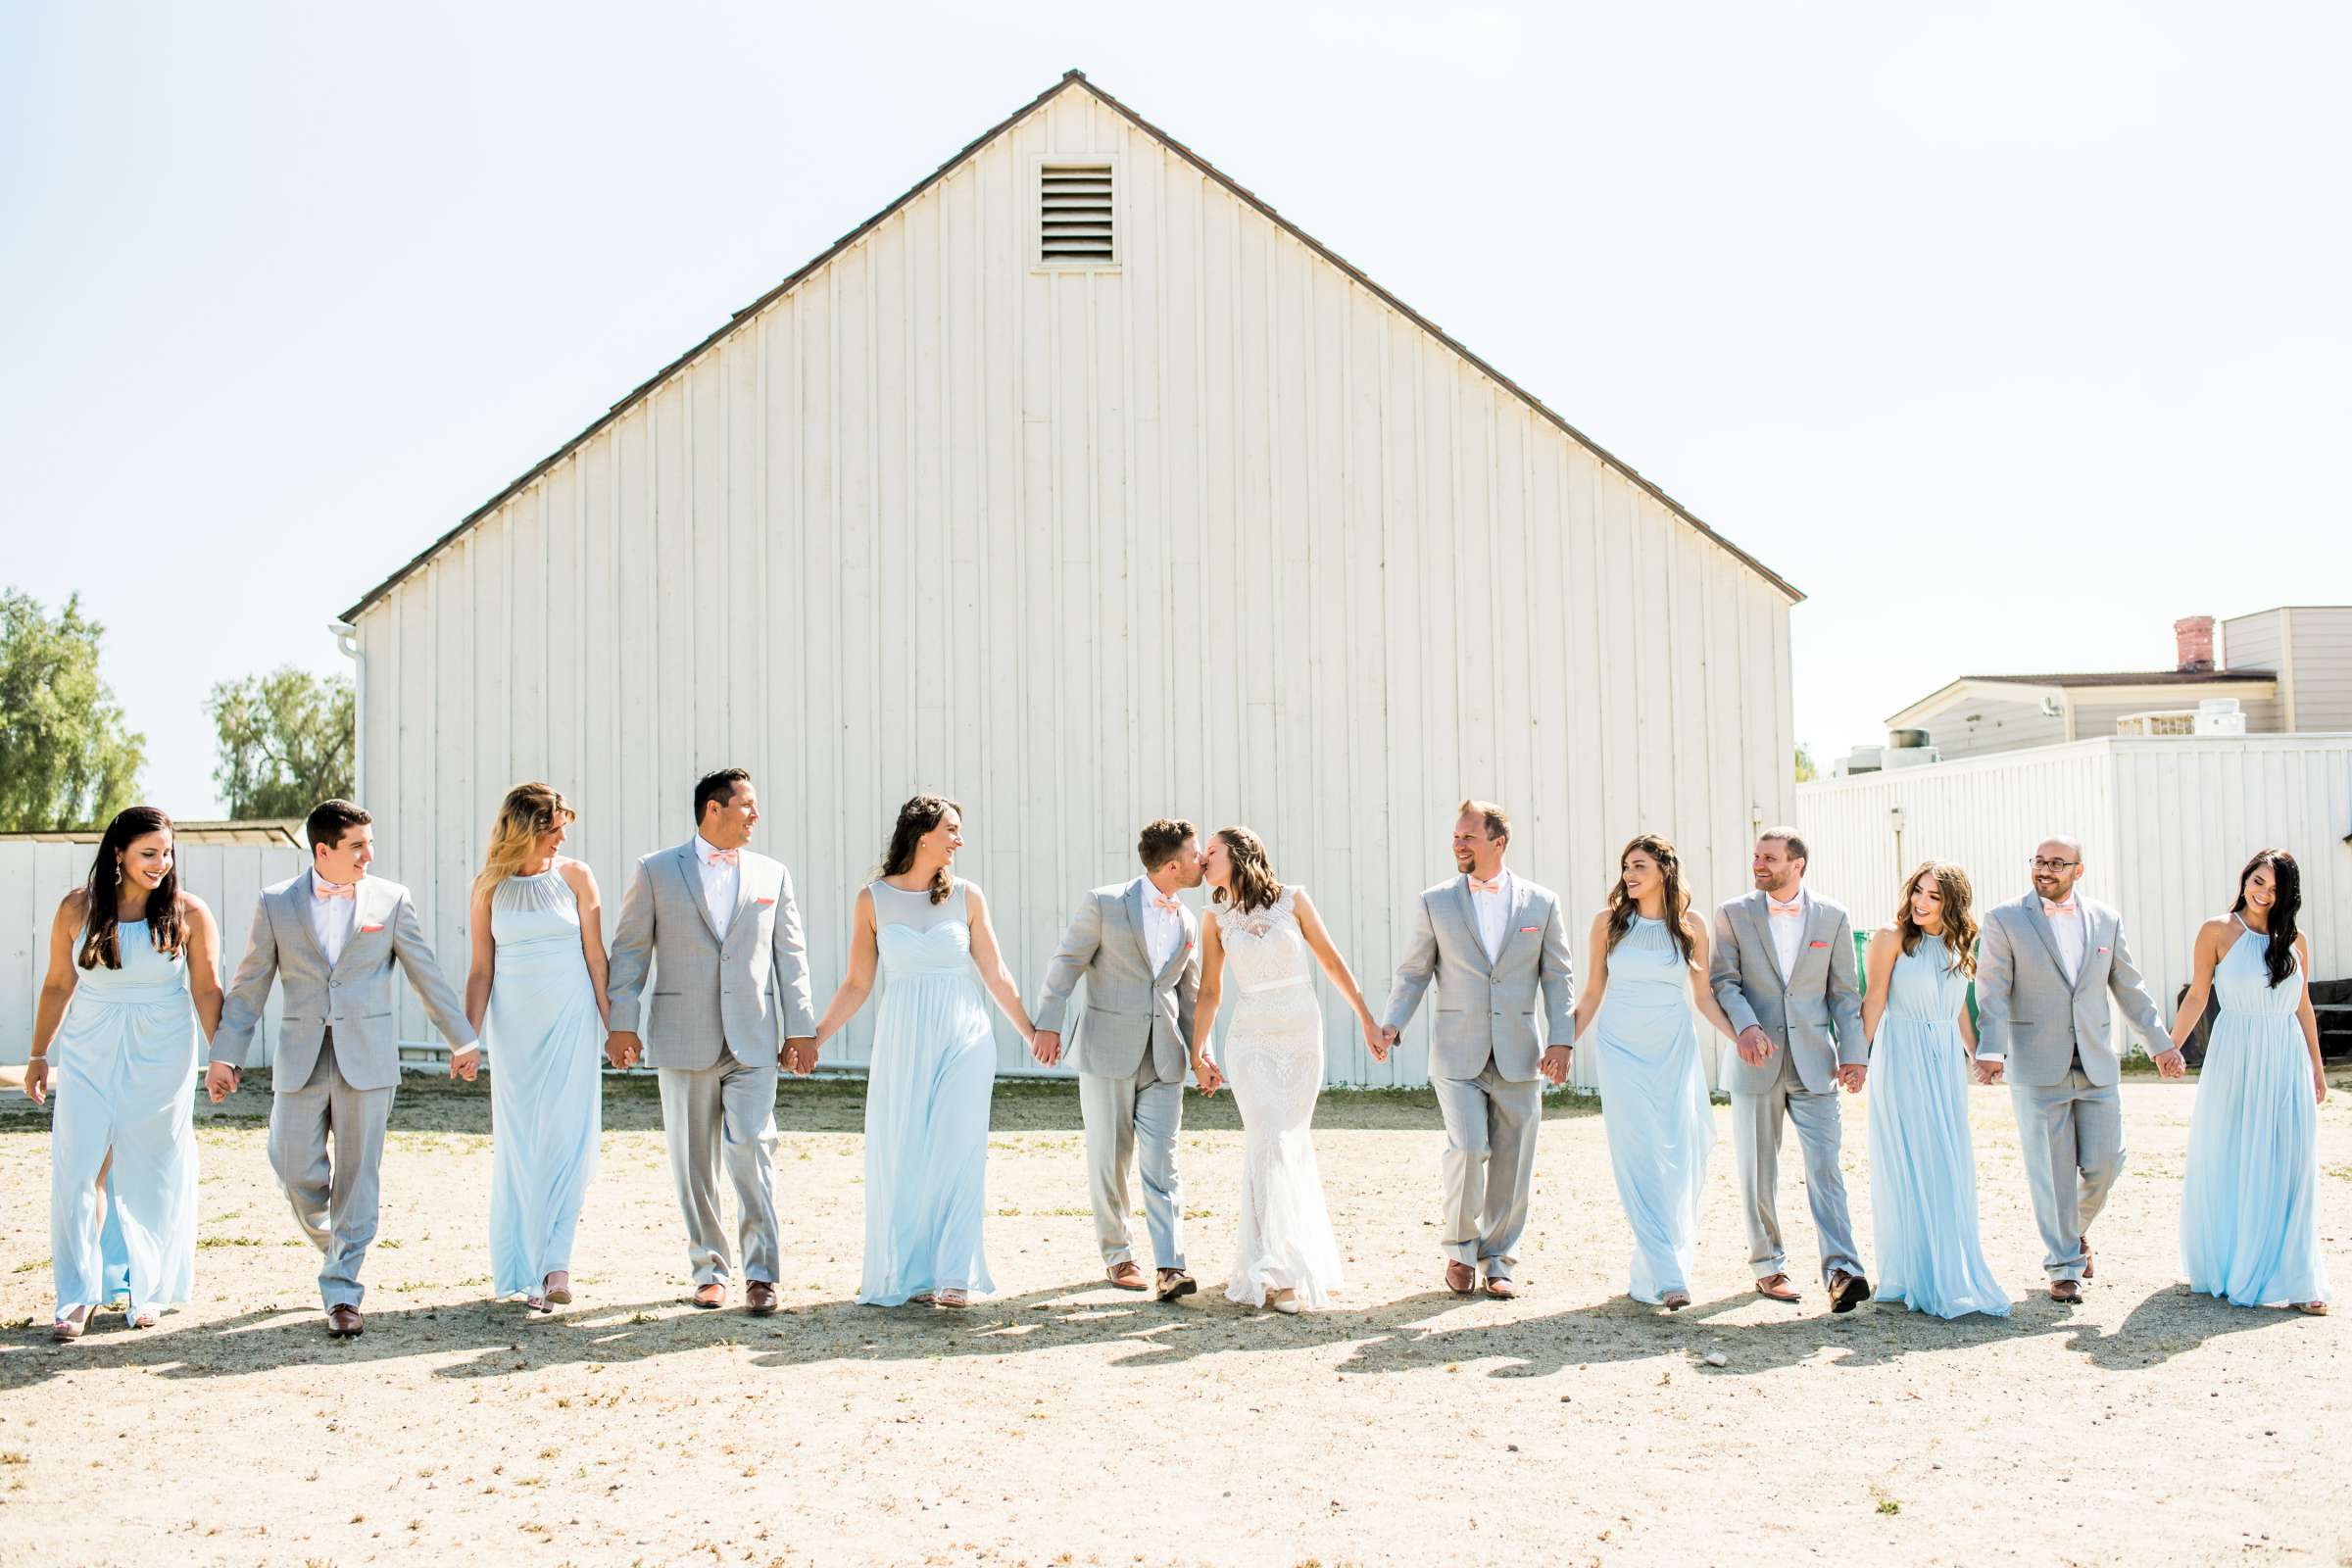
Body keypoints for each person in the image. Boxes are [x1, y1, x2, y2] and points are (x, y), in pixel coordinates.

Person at [206, 799, 479, 1339]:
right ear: (323, 850)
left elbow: (425, 974)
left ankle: (342, 1290)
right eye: (357, 846)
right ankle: (339, 1245)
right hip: (301, 1056)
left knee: (358, 1179)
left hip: (369, 1059)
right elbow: (249, 985)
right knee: (292, 1165)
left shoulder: (392, 900)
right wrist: (225, 1053)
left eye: (369, 844)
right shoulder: (277, 903)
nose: (368, 856)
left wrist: (462, 1039)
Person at [605, 767, 818, 1316]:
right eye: (747, 805)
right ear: (713, 809)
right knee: (694, 1164)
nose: (755, 815)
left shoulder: (772, 874)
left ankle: (762, 1274)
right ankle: (708, 1268)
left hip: (754, 1039)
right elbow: (629, 953)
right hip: (683, 1035)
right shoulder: (655, 871)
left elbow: (790, 960)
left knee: (752, 1147)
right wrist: (620, 1023)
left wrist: (802, 1028)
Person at [813, 795, 1036, 1309]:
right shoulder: (873, 900)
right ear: (922, 834)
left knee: (958, 1148)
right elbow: (857, 982)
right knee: (906, 1151)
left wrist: (1031, 1033)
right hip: (903, 1041)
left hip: (965, 1035)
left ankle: (955, 1273)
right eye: (952, 829)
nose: (960, 840)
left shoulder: (967, 896)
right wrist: (815, 1037)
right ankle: (914, 1273)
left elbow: (995, 972)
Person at [27, 808, 220, 1342]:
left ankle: (145, 1288)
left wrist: (223, 1055)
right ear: (118, 853)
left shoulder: (189, 913)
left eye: (167, 853)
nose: (162, 864)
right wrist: (39, 1055)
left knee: (150, 1167)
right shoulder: (77, 908)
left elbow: (206, 989)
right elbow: (56, 985)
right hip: (89, 1048)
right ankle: (78, 1293)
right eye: (148, 853)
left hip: (163, 1049)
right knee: (79, 1167)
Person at [1377, 802, 1576, 1299]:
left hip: (1520, 1052)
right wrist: (1391, 1024)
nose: (1459, 845)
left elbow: (1558, 976)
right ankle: (1460, 1249)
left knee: (1513, 1159)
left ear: (1498, 842)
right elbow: (1414, 971)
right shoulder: (1435, 902)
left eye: (1468, 836)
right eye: (1456, 837)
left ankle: (1499, 1259)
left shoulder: (1542, 904)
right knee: (1467, 1147)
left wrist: (1561, 1038)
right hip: (1457, 1052)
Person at [1973, 835, 2181, 1302]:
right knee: (2052, 1171)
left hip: (2096, 1063)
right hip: (2036, 1064)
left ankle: (2074, 1229)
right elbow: (1992, 989)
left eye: (2056, 864)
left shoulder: (2105, 919)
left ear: (2078, 871)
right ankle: (2063, 1264)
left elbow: (2129, 987)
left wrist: (2160, 1045)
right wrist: (1991, 1049)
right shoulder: (2004, 919)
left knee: (2107, 1163)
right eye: (2039, 862)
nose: (2045, 870)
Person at [1194, 826, 1381, 1314]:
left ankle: (1285, 1258)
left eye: (1210, 851)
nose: (1201, 858)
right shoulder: (1212, 918)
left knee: (1290, 1142)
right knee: (1268, 1138)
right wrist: (1200, 1050)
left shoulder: (1294, 900)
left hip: (1301, 1037)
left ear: (1238, 853)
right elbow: (1210, 990)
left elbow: (1332, 961)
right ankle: (1277, 1275)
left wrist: (1367, 1020)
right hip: (1250, 1040)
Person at [1032, 818, 1204, 1300]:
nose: (1202, 862)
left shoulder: (1188, 918)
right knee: (1109, 1159)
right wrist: (1048, 1023)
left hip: (1165, 1058)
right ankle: (1118, 1256)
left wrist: (1201, 1054)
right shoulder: (1105, 903)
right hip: (1106, 1049)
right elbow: (1067, 963)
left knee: (1163, 1162)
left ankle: (1171, 1266)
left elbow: (1189, 998)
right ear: (1172, 865)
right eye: (1195, 855)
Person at [1709, 828, 1871, 1311]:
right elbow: (1724, 982)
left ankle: (1842, 1269)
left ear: (1797, 864)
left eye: (1769, 858)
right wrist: (1746, 1028)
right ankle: (1768, 1265)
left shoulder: (1833, 916)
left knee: (1826, 1166)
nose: (1758, 865)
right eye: (1756, 856)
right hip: (1755, 1060)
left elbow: (1844, 994)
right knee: (1759, 1170)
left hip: (1815, 1063)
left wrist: (1855, 1054)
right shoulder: (1732, 914)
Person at [463, 783, 609, 1312]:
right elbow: (481, 971)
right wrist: (466, 1038)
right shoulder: (487, 887)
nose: (562, 837)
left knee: (569, 1138)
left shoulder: (576, 876)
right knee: (523, 1144)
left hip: (571, 1019)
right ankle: (526, 1266)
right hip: (514, 1030)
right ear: (524, 828)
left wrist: (615, 1028)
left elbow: (597, 958)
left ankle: (557, 1264)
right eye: (552, 827)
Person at [1572, 835, 1733, 1310]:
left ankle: (1652, 1269)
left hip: (1673, 1051)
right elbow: (1591, 995)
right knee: (1637, 1154)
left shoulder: (1692, 925)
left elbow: (1704, 997)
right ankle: (1669, 1273)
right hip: (1620, 1050)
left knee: (1676, 1156)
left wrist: (1739, 1037)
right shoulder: (1608, 924)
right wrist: (1559, 1044)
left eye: (1639, 865)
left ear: (1664, 869)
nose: (1629, 874)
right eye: (1625, 866)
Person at [2174, 850, 2329, 1314]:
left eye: (2274, 888)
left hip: (2286, 1058)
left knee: (2292, 1162)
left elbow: (2303, 1007)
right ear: (2245, 878)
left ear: (2286, 896)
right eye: (2258, 881)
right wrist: (2169, 1046)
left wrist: (2317, 1068)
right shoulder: (2216, 931)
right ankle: (2236, 1263)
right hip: (2236, 1056)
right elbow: (2198, 994)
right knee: (2237, 1154)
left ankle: (2299, 1279)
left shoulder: (2296, 939)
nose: (2263, 893)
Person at [1862, 862, 2011, 1319]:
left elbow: (1959, 1010)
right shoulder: (1889, 938)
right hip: (1901, 1054)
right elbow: (1874, 999)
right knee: (1915, 1159)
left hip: (1944, 1061)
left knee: (1947, 1161)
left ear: (1952, 903)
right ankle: (1916, 1274)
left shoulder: (1960, 942)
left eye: (1934, 897)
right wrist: (1856, 1059)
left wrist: (1977, 1055)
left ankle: (1945, 1268)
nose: (1921, 903)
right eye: (1917, 892)